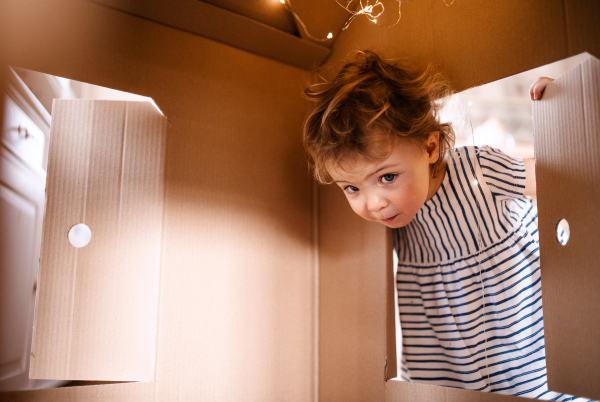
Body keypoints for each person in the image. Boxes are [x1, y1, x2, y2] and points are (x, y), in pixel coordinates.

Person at [303, 51, 587, 400]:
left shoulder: (478, 170)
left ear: (431, 146)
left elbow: (563, 172)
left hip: (523, 332)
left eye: (387, 177)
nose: (373, 204)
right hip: (449, 357)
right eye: (352, 188)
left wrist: (564, 111)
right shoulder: (394, 220)